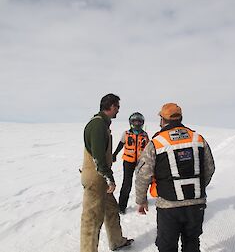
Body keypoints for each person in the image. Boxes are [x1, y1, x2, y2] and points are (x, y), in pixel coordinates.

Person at [135, 103, 215, 252]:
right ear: (180, 118)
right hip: (196, 204)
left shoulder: (156, 143)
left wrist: (141, 200)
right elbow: (210, 168)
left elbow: (142, 174)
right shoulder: (198, 138)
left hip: (168, 205)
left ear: (162, 120)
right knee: (191, 242)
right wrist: (196, 188)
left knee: (167, 246)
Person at [80, 93, 133, 252]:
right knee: (92, 218)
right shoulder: (97, 125)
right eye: (117, 106)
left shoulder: (103, 124)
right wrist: (110, 178)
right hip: (97, 178)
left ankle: (117, 241)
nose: (118, 110)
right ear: (110, 106)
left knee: (111, 210)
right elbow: (97, 157)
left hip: (100, 176)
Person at [112, 112, 149, 214]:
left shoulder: (145, 135)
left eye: (139, 121)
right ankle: (121, 206)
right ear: (131, 122)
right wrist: (114, 154)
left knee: (142, 182)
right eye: (135, 121)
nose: (137, 123)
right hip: (128, 162)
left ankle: (143, 201)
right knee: (127, 184)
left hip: (141, 162)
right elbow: (121, 144)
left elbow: (148, 149)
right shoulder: (126, 134)